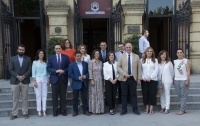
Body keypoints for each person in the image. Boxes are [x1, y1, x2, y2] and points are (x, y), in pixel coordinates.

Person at [117, 43, 142, 116]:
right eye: (127, 47)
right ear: (125, 48)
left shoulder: (136, 56)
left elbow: (139, 68)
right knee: (124, 95)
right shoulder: (121, 56)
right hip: (124, 78)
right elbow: (118, 67)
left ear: (132, 47)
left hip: (133, 78)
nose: (128, 48)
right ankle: (124, 110)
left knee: (133, 94)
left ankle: (135, 109)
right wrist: (124, 74)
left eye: (129, 47)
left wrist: (139, 78)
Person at [9, 44, 32, 120]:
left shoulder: (28, 59)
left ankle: (25, 112)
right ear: (17, 50)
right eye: (20, 49)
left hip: (25, 81)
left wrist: (24, 76)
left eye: (22, 50)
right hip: (15, 81)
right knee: (15, 98)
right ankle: (14, 113)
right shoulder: (12, 59)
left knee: (25, 98)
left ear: (24, 51)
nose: (21, 51)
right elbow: (11, 69)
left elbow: (29, 69)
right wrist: (17, 76)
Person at [47, 43, 70, 117]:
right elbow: (48, 68)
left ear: (61, 49)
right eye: (56, 48)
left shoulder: (66, 57)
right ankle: (55, 111)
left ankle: (63, 110)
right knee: (54, 96)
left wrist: (64, 71)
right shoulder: (51, 58)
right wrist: (56, 71)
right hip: (54, 79)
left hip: (63, 78)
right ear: (54, 49)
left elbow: (69, 67)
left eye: (59, 48)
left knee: (63, 96)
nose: (58, 50)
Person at [68, 51, 91, 117]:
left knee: (84, 98)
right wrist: (77, 78)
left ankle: (85, 110)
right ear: (75, 57)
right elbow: (70, 73)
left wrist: (85, 76)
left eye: (80, 56)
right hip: (76, 83)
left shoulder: (85, 64)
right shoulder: (71, 65)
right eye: (77, 56)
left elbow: (88, 72)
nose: (78, 57)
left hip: (84, 83)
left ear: (81, 56)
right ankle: (75, 111)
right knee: (75, 98)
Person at [32, 49, 50, 117]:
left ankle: (44, 111)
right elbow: (33, 72)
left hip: (45, 78)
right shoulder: (35, 62)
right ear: (38, 54)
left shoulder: (46, 62)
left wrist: (48, 80)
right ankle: (39, 111)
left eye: (42, 53)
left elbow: (48, 72)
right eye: (40, 53)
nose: (41, 54)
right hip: (38, 79)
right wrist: (34, 81)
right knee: (38, 95)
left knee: (44, 95)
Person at [141, 47, 158, 115]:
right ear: (146, 52)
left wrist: (151, 77)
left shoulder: (155, 60)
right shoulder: (142, 60)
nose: (149, 52)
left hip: (153, 80)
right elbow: (140, 70)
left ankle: (151, 108)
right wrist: (143, 77)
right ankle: (146, 108)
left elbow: (156, 70)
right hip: (144, 80)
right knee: (145, 94)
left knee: (152, 94)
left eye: (151, 51)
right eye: (148, 51)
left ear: (152, 53)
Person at [174, 48, 190, 115]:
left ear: (183, 53)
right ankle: (184, 108)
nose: (179, 53)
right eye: (178, 52)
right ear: (176, 54)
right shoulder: (175, 61)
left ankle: (182, 110)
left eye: (181, 52)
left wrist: (187, 80)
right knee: (179, 94)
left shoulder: (186, 61)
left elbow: (188, 71)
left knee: (183, 95)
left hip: (184, 79)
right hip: (176, 80)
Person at [88, 49, 104, 114]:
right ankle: (94, 109)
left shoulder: (101, 62)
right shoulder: (91, 62)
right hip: (93, 80)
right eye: (95, 54)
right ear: (93, 55)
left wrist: (103, 80)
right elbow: (90, 71)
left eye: (98, 53)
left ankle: (99, 110)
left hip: (100, 80)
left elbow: (102, 72)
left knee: (99, 95)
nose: (97, 55)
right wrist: (91, 79)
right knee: (93, 94)